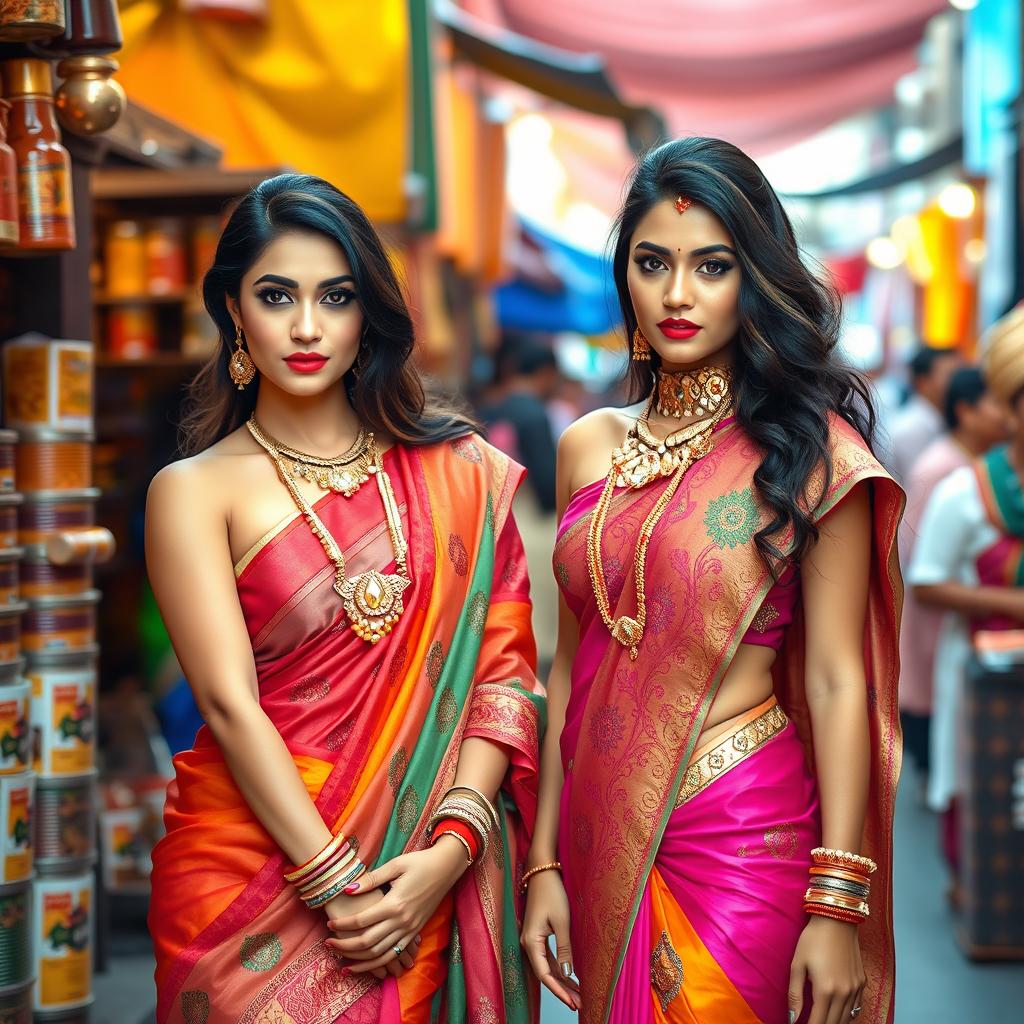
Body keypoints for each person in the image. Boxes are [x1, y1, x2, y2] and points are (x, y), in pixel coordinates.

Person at [145, 174, 544, 1024]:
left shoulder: (459, 475)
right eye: (276, 295)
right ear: (233, 311)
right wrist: (336, 885)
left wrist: (449, 851)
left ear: (368, 316)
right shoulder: (192, 490)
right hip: (247, 868)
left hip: (421, 861)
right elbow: (226, 703)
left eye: (335, 297)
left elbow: (503, 681)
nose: (304, 326)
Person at [520, 138, 903, 1024]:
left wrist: (837, 904)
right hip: (598, 832)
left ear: (755, 277)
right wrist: (542, 862)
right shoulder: (590, 448)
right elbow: (569, 671)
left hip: (741, 836)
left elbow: (838, 679)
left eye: (712, 266)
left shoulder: (810, 458)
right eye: (653, 263)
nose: (678, 295)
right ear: (626, 277)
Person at [909, 306, 1024, 881]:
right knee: (981, 776)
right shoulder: (963, 490)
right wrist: (1009, 606)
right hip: (979, 664)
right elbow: (925, 580)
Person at [898, 367, 1008, 783]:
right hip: (940, 619)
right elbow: (917, 557)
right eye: (994, 403)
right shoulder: (942, 469)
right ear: (965, 411)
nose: (1002, 416)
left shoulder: (968, 463)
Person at [881, 345, 961, 484]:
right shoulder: (910, 428)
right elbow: (918, 486)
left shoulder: (937, 418)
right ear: (923, 382)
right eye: (951, 375)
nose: (959, 382)